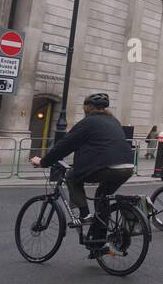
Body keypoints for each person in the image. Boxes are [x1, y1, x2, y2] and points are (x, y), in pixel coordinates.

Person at [30, 93, 135, 259]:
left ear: (87, 107)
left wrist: (43, 161)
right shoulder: (114, 121)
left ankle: (85, 214)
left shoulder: (88, 122)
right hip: (128, 166)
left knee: (72, 176)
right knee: (103, 198)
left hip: (108, 166)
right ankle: (97, 244)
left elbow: (65, 145)